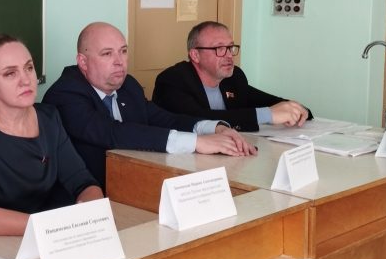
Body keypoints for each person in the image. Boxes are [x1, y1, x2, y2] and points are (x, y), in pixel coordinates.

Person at [42, 22, 255, 189]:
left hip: (134, 184)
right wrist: (196, 142)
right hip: (83, 200)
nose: (119, 61)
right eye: (107, 54)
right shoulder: (65, 94)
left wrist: (213, 128)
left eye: (123, 51)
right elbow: (113, 133)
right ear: (83, 62)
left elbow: (163, 118)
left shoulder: (128, 86)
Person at [0, 34, 103, 236]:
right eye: (10, 73)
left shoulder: (49, 117)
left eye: (29, 68)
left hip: (48, 237)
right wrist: (56, 226)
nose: (26, 80)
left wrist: (90, 214)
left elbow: (84, 183)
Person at [152, 21, 312, 132]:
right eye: (220, 49)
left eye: (230, 47)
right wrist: (268, 115)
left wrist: (297, 109)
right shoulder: (172, 80)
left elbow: (268, 102)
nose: (229, 55)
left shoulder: (234, 77)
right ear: (195, 55)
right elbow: (200, 119)